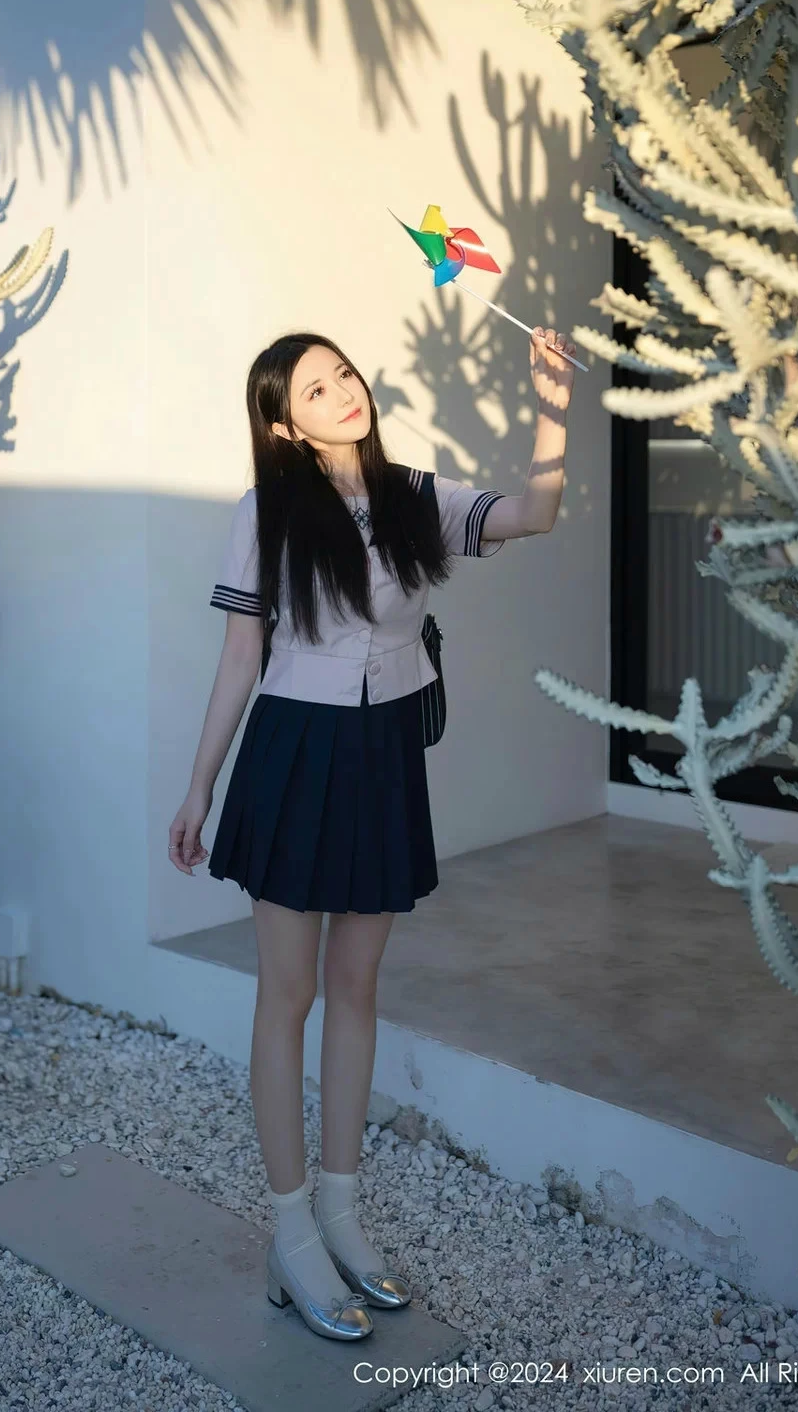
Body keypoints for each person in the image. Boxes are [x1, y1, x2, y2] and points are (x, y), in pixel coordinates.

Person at [168, 325, 577, 1341]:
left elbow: (534, 513)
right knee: (289, 994)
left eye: (343, 373)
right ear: (283, 425)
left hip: (385, 752)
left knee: (357, 988)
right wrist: (197, 789)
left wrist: (554, 410)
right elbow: (240, 657)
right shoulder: (265, 512)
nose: (343, 391)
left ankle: (343, 1218)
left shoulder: (413, 496)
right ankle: (290, 1231)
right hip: (294, 751)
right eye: (315, 389)